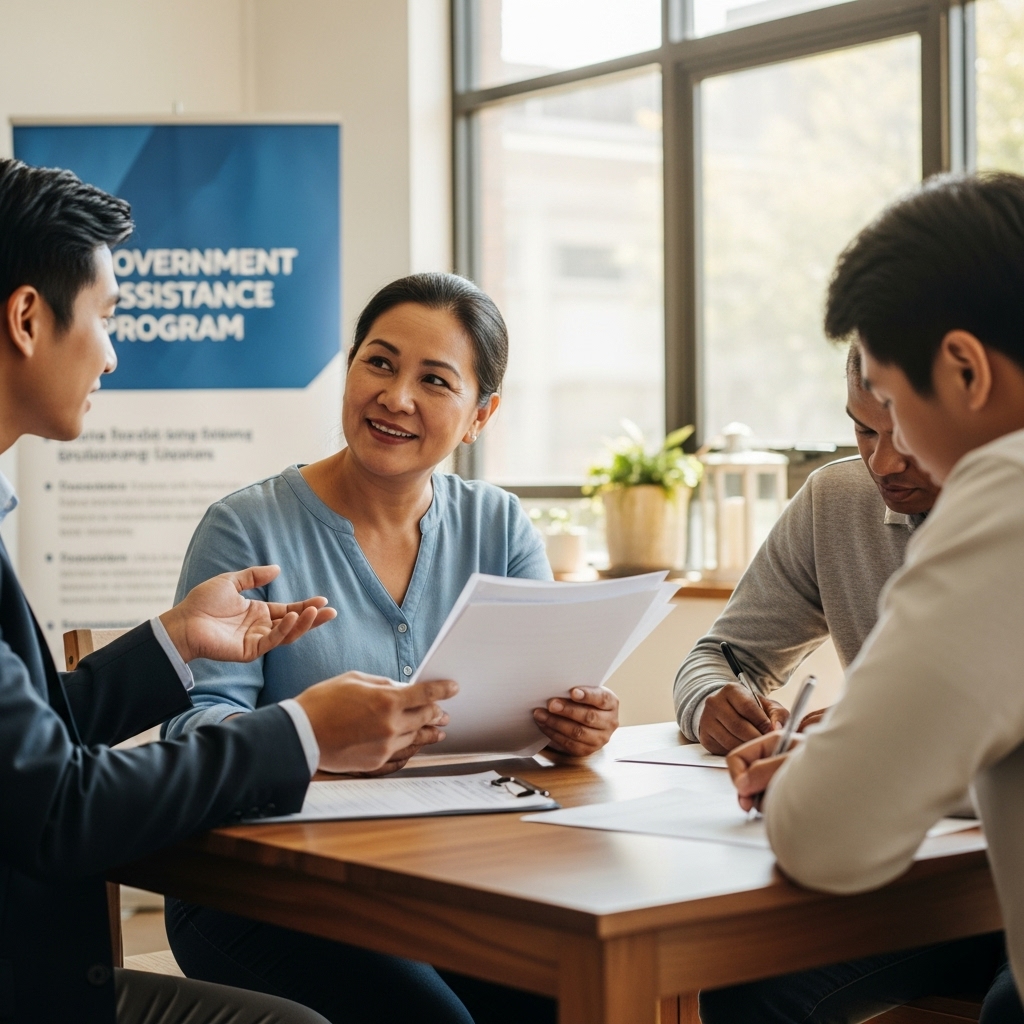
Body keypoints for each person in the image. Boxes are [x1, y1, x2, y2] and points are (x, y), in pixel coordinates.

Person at [0, 157, 460, 1024]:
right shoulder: (251, 517)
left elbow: (25, 743)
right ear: (28, 318)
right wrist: (303, 730)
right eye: (105, 318)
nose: (112, 353)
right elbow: (58, 805)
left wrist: (176, 638)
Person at [161, 272, 618, 1024]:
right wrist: (311, 734)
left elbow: (543, 705)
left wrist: (576, 726)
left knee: (565, 1003)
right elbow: (195, 729)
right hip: (259, 890)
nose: (396, 396)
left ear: (480, 415)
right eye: (378, 362)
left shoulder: (498, 526)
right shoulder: (244, 529)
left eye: (434, 380)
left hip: (450, 879)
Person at [708, 171, 1024, 1023]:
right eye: (864, 422)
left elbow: (829, 837)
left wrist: (819, 769)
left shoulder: (1006, 496)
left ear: (962, 367)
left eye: (895, 401)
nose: (892, 453)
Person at [674, 344, 940, 754]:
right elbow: (724, 656)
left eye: (906, 436)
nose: (882, 464)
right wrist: (710, 702)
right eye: (865, 430)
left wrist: (883, 726)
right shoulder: (834, 501)